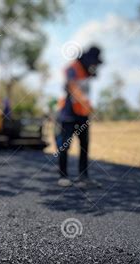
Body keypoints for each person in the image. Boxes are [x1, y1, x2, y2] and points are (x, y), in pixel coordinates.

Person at [56, 46, 103, 187]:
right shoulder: (73, 68)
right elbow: (73, 87)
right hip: (68, 115)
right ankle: (63, 176)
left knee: (84, 146)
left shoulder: (87, 71)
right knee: (65, 145)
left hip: (82, 115)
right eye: (94, 63)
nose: (95, 66)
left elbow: (89, 83)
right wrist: (89, 106)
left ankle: (84, 177)